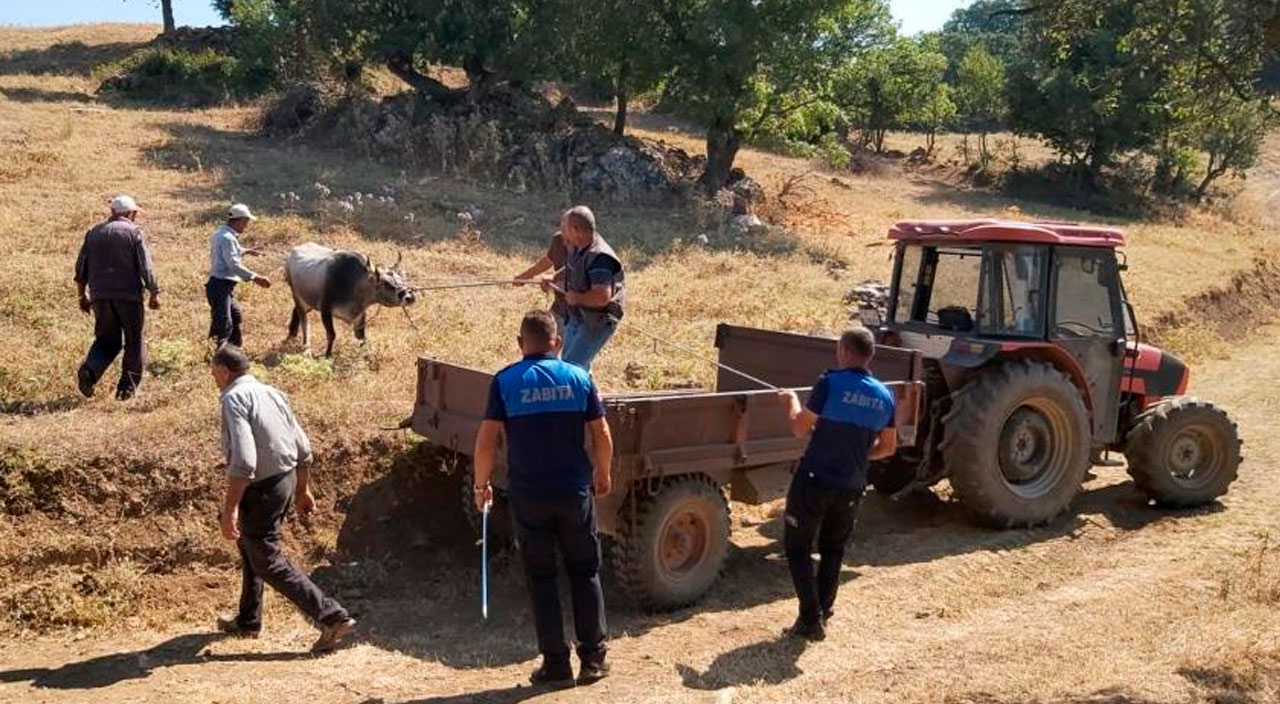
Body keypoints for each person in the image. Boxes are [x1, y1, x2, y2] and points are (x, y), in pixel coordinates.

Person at [473, 310, 614, 688]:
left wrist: (481, 486)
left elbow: (486, 442)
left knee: (541, 577)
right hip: (574, 493)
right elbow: (601, 432)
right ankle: (593, 659)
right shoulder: (580, 378)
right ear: (559, 343)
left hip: (529, 496)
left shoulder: (505, 381)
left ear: (521, 344)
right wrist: (603, 473)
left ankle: (556, 665)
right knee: (585, 571)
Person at [210, 345, 356, 653]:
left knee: (267, 560)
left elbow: (244, 460)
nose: (214, 380)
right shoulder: (272, 393)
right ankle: (249, 621)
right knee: (250, 546)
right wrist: (302, 489)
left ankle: (332, 616)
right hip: (284, 480)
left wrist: (230, 508)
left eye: (214, 374)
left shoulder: (233, 398)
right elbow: (302, 446)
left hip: (261, 488)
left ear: (223, 371)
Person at [777, 327, 897, 642]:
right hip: (852, 484)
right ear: (870, 355)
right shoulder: (885, 396)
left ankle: (810, 619)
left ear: (843, 351)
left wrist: (790, 400)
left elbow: (800, 428)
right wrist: (856, 454)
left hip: (815, 479)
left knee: (797, 547)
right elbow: (888, 447)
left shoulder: (829, 383)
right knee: (833, 549)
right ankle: (823, 612)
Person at [74, 194, 161, 400]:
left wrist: (82, 295)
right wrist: (154, 292)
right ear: (130, 214)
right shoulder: (134, 233)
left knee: (106, 339)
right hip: (128, 297)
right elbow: (146, 267)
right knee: (134, 341)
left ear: (112, 212)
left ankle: (90, 370)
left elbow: (81, 268)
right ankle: (126, 391)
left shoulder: (94, 232)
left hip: (100, 296)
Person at [541, 206, 624, 371]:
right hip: (577, 315)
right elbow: (574, 266)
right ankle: (586, 388)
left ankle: (582, 388)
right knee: (572, 363)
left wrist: (577, 298)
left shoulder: (600, 258)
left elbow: (602, 297)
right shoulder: (578, 245)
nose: (561, 232)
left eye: (564, 228)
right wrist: (555, 277)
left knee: (573, 367)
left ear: (575, 230)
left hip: (597, 321)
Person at [207, 204, 270, 347]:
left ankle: (234, 349)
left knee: (234, 316)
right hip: (220, 286)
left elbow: (230, 251)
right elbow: (233, 264)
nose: (246, 226)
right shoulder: (228, 238)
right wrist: (256, 277)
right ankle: (219, 353)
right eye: (246, 222)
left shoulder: (221, 233)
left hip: (220, 286)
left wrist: (247, 251)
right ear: (240, 220)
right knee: (223, 324)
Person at [514, 229, 569, 331]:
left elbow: (578, 274)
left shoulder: (590, 249)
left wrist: (554, 280)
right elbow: (548, 260)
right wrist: (524, 277)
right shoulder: (559, 239)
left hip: (580, 314)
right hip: (559, 307)